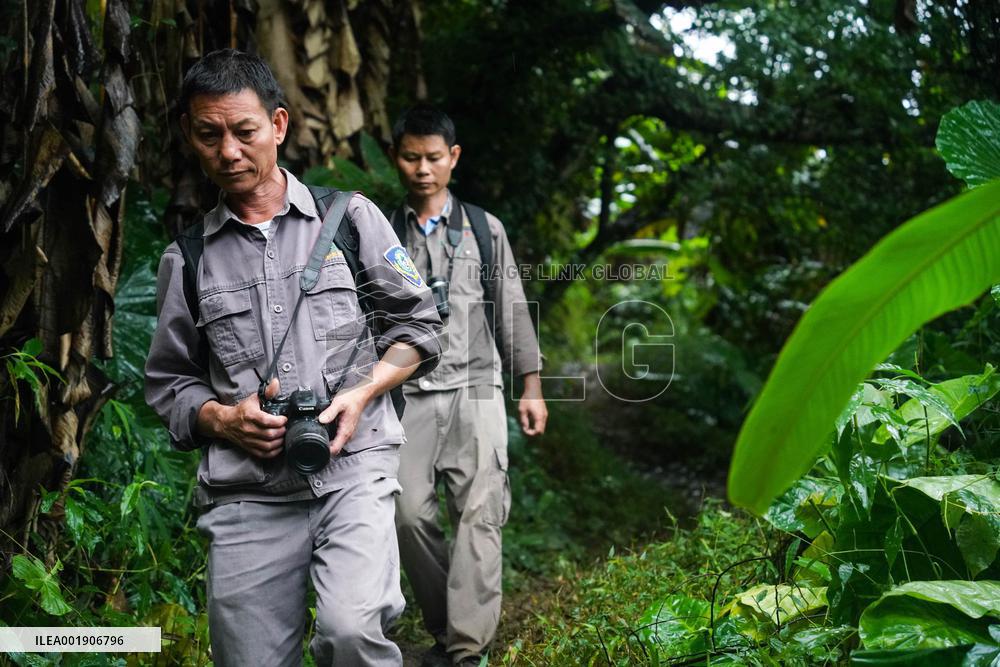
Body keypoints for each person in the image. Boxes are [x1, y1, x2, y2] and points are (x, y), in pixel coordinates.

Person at [144, 50, 441, 667]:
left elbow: (419, 326)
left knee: (351, 633)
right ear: (190, 138)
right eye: (209, 135)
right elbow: (169, 385)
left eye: (244, 131)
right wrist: (223, 420)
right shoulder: (188, 258)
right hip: (247, 492)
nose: (228, 152)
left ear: (277, 125)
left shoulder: (353, 219)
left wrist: (361, 395)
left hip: (353, 471)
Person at [389, 105, 549, 667]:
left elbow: (510, 308)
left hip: (477, 387)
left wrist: (530, 385)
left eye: (434, 158)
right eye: (412, 157)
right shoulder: (380, 230)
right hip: (405, 395)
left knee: (481, 513)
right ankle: (443, 625)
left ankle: (465, 650)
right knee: (406, 513)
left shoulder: (485, 228)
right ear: (397, 158)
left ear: (453, 158)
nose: (423, 169)